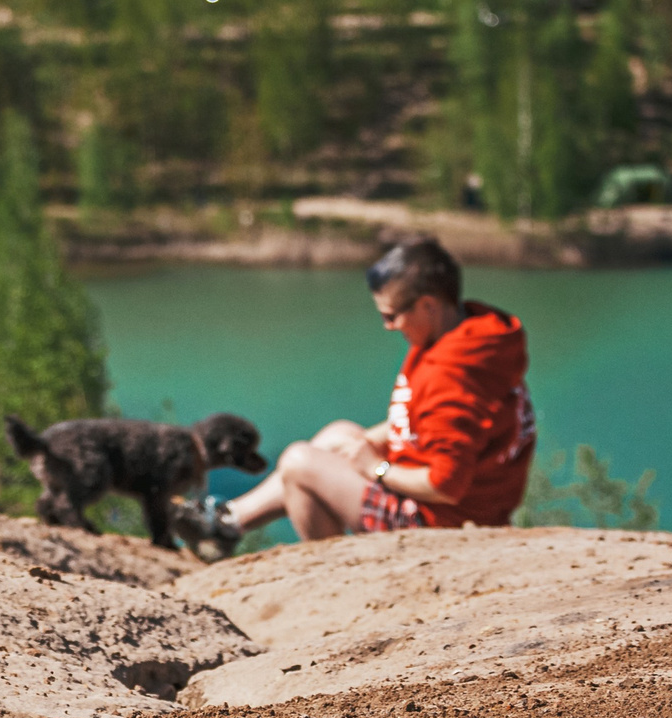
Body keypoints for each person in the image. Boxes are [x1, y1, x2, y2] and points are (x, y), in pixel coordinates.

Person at [196, 237, 535, 553]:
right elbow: (433, 421)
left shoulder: (451, 373)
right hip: (455, 504)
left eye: (391, 316)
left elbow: (445, 486)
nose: (388, 326)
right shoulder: (471, 335)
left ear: (428, 305)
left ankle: (330, 578)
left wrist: (378, 468)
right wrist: (364, 445)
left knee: (300, 464)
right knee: (336, 437)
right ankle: (228, 521)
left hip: (437, 522)